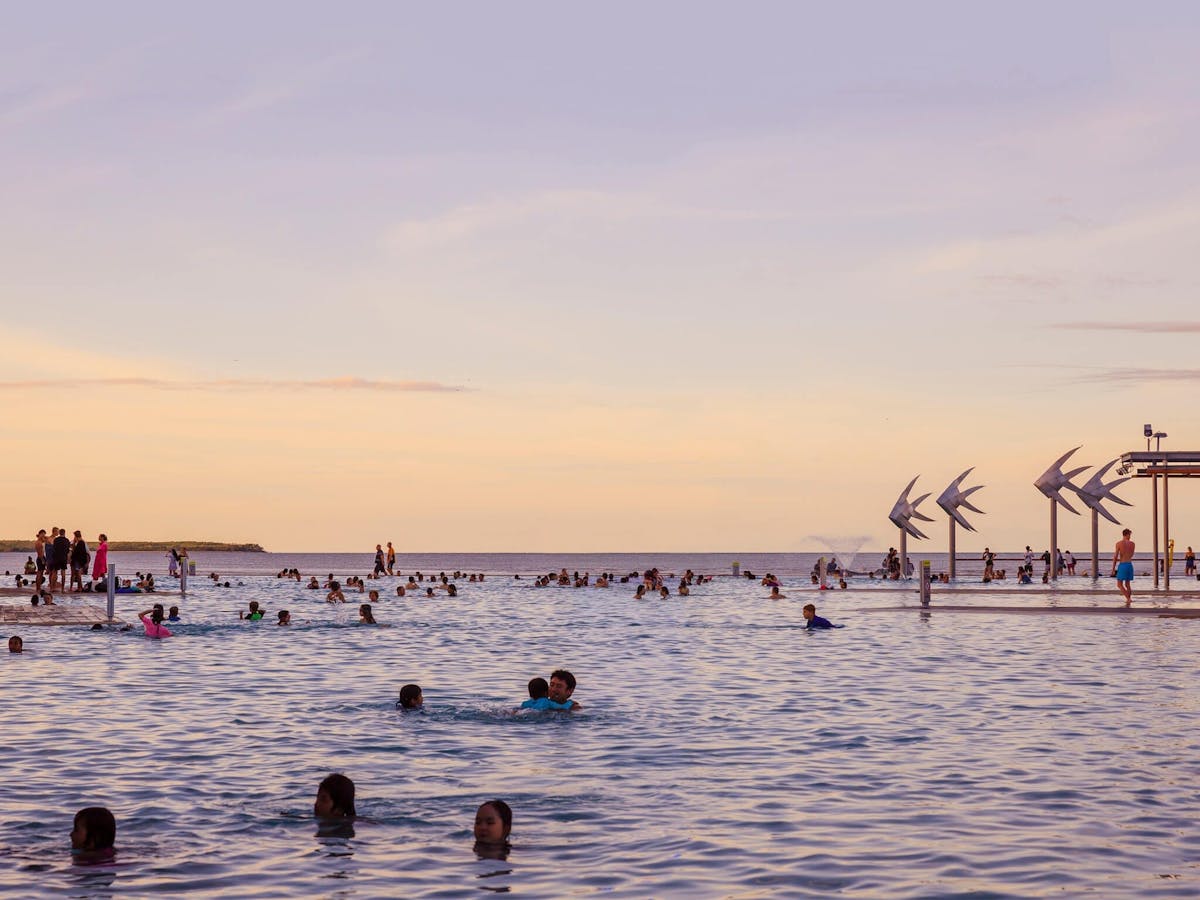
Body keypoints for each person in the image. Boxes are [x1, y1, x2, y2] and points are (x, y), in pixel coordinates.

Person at [1113, 528, 1136, 606]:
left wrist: (1113, 568)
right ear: (1126, 534)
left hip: (1123, 564)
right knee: (1127, 584)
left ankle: (1128, 599)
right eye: (1129, 535)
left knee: (1119, 584)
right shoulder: (1132, 544)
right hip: (1129, 564)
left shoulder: (1119, 543)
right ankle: (1128, 600)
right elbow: (1132, 554)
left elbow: (1115, 557)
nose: (1130, 536)